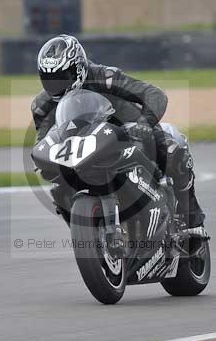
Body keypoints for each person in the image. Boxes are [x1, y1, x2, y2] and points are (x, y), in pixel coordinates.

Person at [31, 34, 205, 230]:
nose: (55, 85)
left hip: (126, 133)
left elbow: (154, 94)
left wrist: (144, 124)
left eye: (61, 77)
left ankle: (190, 218)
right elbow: (44, 140)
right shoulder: (41, 106)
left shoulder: (105, 77)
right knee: (57, 185)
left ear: (78, 69)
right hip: (81, 152)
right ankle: (92, 232)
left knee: (172, 148)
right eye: (49, 79)